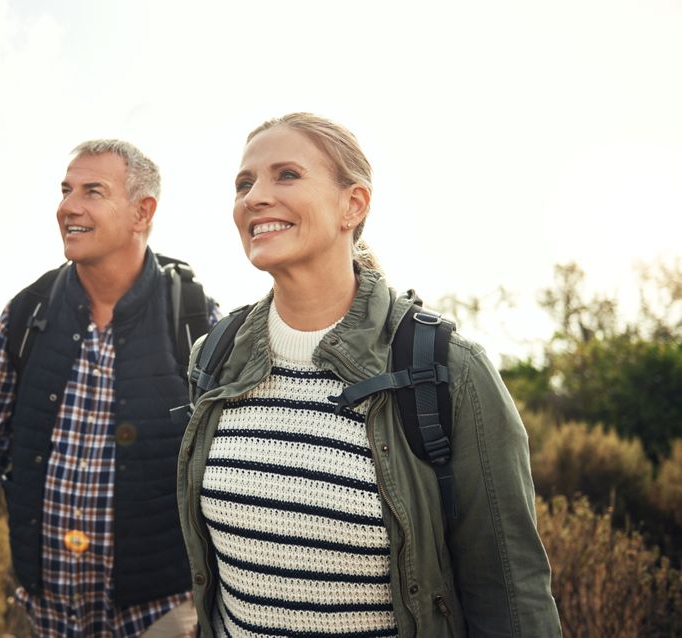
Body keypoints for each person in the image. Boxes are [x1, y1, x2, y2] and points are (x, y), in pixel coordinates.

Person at [177, 113, 562, 637]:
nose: (254, 197)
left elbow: (512, 596)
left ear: (352, 204)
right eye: (245, 183)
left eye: (285, 175)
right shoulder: (214, 356)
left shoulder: (448, 369)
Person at [0, 139, 217, 638]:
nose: (67, 207)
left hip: (162, 617)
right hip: (40, 615)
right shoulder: (26, 314)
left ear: (142, 212)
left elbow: (223, 467)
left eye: (92, 191)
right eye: (65, 190)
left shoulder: (194, 318)